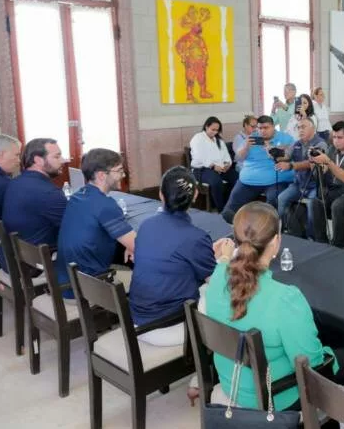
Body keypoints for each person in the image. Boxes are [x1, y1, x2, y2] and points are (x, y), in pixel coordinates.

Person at [204, 202, 339, 410]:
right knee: (343, 356)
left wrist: (225, 256)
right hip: (277, 397)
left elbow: (224, 264)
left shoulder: (218, 277)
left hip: (231, 384)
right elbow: (312, 366)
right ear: (276, 241)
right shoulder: (285, 299)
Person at [128, 167, 217, 346]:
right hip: (166, 325)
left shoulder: (145, 225)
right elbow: (216, 281)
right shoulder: (195, 237)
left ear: (161, 195)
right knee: (221, 293)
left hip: (135, 320)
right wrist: (224, 258)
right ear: (195, 195)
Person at [56, 148, 136, 295]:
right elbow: (139, 247)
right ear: (101, 175)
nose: (123, 175)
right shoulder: (105, 205)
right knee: (149, 278)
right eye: (119, 170)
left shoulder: (77, 196)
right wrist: (132, 245)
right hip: (86, 289)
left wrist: (129, 244)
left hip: (64, 282)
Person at [2, 138, 67, 271]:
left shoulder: (15, 182)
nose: (62, 160)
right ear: (38, 160)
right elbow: (72, 229)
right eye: (57, 156)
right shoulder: (49, 193)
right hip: (33, 266)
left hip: (10, 257)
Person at [221, 115, 294, 223]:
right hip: (248, 181)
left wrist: (275, 151)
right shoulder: (251, 138)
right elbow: (238, 158)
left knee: (272, 208)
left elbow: (293, 157)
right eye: (260, 128)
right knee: (228, 213)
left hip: (275, 181)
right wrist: (246, 147)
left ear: (273, 127)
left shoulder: (285, 138)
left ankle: (268, 227)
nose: (262, 131)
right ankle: (245, 227)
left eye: (266, 128)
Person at [309, 121, 344, 247]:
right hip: (336, 188)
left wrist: (328, 161)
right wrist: (314, 163)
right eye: (334, 137)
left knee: (337, 205)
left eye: (340, 137)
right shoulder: (331, 150)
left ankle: (338, 244)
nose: (336, 141)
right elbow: (320, 174)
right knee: (315, 202)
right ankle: (321, 241)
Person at [275, 117, 328, 239]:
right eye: (298, 127)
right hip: (299, 184)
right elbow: (286, 156)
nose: (300, 130)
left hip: (314, 185)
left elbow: (311, 163)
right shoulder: (297, 143)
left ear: (313, 128)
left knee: (312, 207)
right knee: (281, 198)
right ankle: (284, 232)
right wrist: (275, 154)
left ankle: (311, 238)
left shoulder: (320, 144)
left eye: (303, 127)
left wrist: (291, 166)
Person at [190, 116, 237, 212]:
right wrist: (213, 166)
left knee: (236, 177)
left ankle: (230, 205)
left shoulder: (219, 140)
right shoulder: (198, 138)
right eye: (213, 129)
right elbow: (199, 156)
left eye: (217, 130)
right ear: (206, 127)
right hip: (202, 169)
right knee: (216, 182)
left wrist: (227, 164)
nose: (215, 132)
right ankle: (221, 209)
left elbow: (226, 154)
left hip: (220, 168)